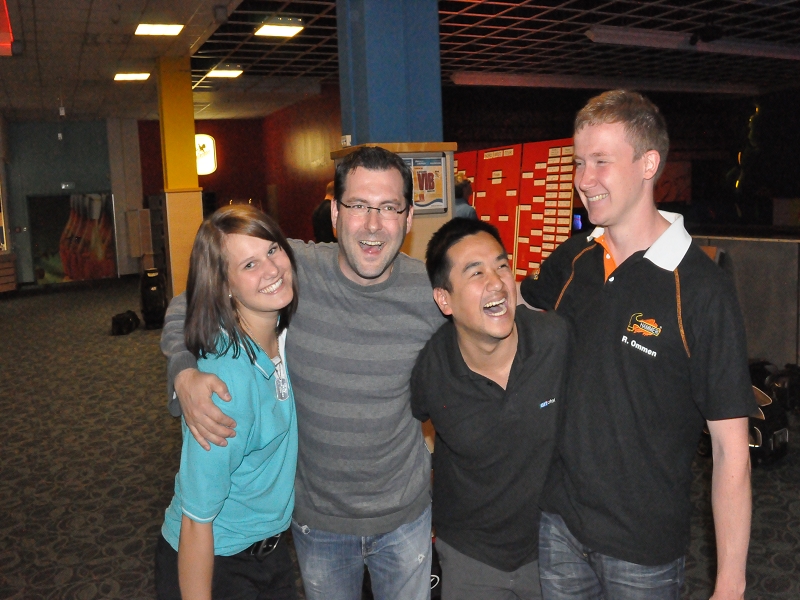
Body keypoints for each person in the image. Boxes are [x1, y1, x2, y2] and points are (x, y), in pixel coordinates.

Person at [161, 146, 445, 600]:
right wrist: (182, 371)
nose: (373, 224)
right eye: (358, 205)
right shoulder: (292, 271)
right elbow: (192, 301)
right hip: (317, 524)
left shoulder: (430, 290)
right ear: (335, 213)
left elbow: (497, 315)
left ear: (409, 218)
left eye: (389, 208)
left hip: (404, 519)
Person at [519, 90, 755, 600]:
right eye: (579, 162)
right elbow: (512, 312)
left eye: (601, 161)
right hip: (559, 523)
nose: (584, 179)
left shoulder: (701, 290)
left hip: (642, 548)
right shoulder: (573, 259)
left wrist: (730, 584)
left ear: (648, 164)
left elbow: (730, 449)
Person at [411, 218, 569, 600]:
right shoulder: (431, 368)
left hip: (552, 547)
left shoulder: (555, 341)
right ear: (444, 300)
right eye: (476, 272)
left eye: (501, 266)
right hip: (469, 555)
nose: (497, 282)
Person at [154, 205, 299, 600]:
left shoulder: (283, 333)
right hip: (214, 562)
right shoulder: (226, 383)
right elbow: (197, 521)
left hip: (269, 551)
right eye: (249, 264)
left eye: (272, 250)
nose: (272, 269)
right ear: (225, 286)